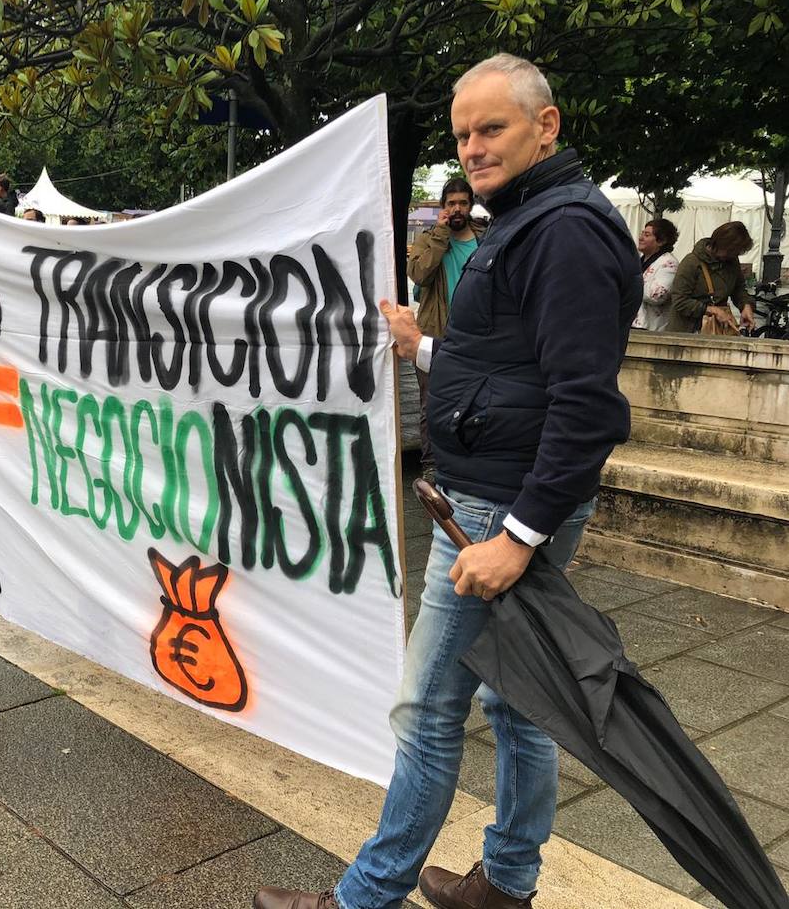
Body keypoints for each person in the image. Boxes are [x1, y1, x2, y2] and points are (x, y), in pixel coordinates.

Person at [255, 54, 641, 909]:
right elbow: (514, 369)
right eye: (464, 133)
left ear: (547, 125)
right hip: (495, 497)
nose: (473, 146)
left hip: (496, 511)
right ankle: (504, 883)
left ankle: (366, 897)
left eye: (491, 127)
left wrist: (520, 535)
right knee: (515, 705)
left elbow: (585, 406)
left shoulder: (564, 231)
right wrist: (420, 347)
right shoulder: (530, 218)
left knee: (426, 712)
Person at [406, 178, 486, 479]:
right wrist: (440, 234)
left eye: (462, 203)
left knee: (475, 400)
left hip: (476, 337)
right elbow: (420, 275)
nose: (456, 209)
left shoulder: (484, 240)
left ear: (470, 205)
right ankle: (430, 466)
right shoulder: (429, 239)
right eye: (450, 203)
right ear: (442, 207)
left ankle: (465, 461)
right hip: (434, 334)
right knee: (432, 401)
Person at [668, 220, 755, 335]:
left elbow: (738, 288)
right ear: (721, 244)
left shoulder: (731, 261)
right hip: (688, 330)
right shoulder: (692, 263)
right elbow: (679, 300)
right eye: (732, 251)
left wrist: (745, 306)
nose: (734, 255)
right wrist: (711, 310)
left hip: (716, 330)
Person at [632, 217, 680, 332]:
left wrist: (629, 283)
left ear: (661, 241)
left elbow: (657, 295)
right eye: (642, 233)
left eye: (647, 235)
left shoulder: (669, 264)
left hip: (651, 329)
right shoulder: (640, 261)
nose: (640, 238)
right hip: (634, 325)